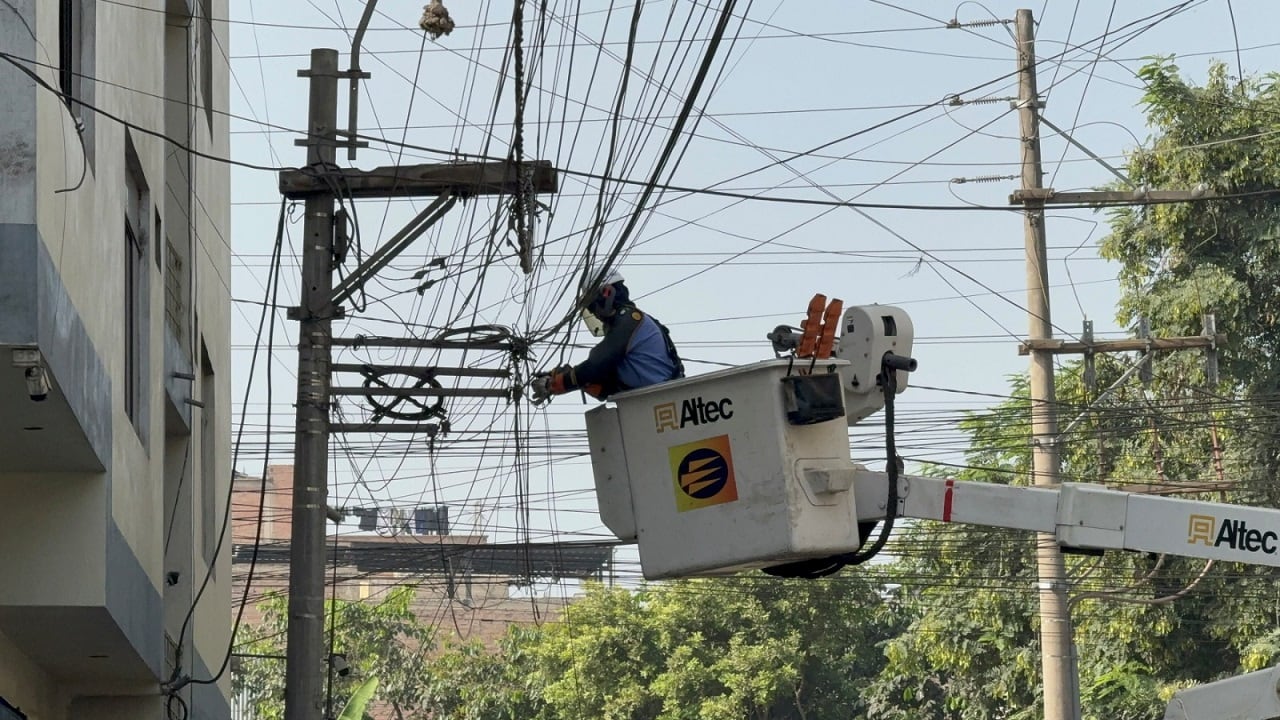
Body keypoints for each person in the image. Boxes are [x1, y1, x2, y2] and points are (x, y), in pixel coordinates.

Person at [530, 271, 683, 402]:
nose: (595, 313)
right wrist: (571, 377)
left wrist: (562, 382)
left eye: (592, 306)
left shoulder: (629, 319)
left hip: (666, 398)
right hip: (651, 401)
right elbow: (606, 387)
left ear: (607, 293)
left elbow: (598, 362)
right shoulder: (624, 334)